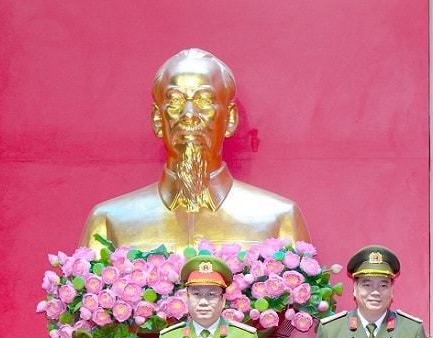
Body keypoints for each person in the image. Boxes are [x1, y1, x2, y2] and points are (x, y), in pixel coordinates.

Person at [80, 48, 310, 253]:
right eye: (175, 101)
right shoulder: (110, 223)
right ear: (158, 119)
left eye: (204, 100)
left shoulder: (278, 220)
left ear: (230, 118)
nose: (189, 115)